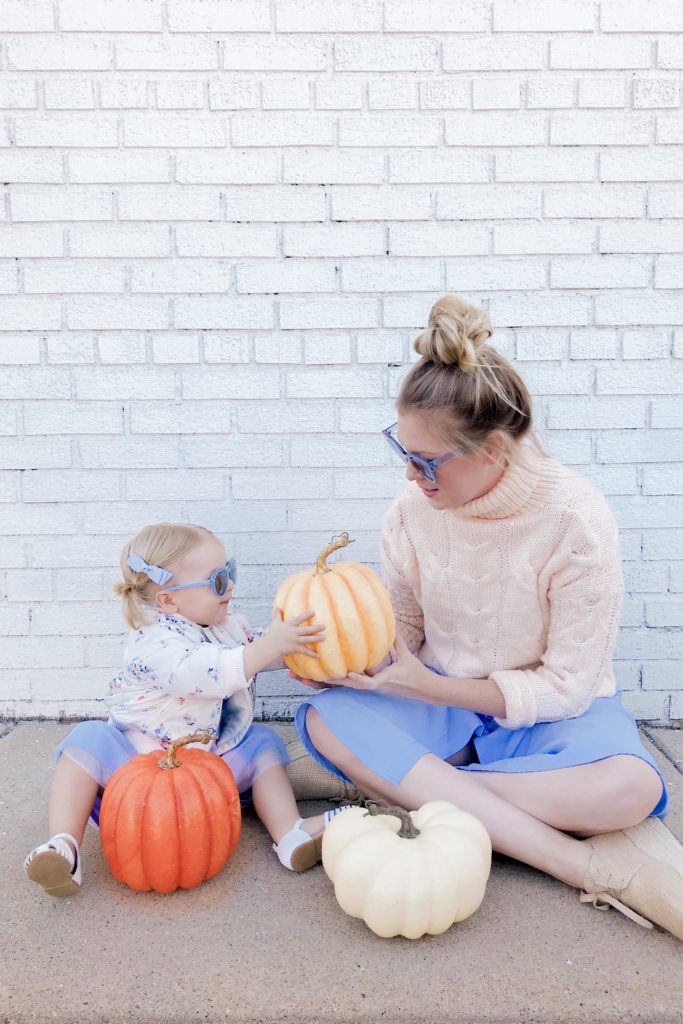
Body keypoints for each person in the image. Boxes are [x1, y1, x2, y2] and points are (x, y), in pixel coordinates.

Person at [294, 293, 683, 941]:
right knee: (324, 717)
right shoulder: (410, 512)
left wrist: (425, 686)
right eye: (403, 453)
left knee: (629, 789)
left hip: (550, 712)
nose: (412, 477)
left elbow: (567, 684)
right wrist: (344, 659)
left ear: (493, 448)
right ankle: (576, 862)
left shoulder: (574, 519)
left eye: (427, 462)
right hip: (443, 699)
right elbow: (405, 633)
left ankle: (399, 796)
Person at [25, 522, 344, 896]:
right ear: (168, 600)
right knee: (86, 739)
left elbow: (250, 651)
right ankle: (64, 845)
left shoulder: (223, 624)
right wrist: (267, 648)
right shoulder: (153, 644)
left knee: (262, 742)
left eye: (231, 572)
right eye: (218, 581)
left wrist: (298, 648)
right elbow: (206, 672)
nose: (232, 587)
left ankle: (291, 834)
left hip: (207, 766)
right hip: (135, 771)